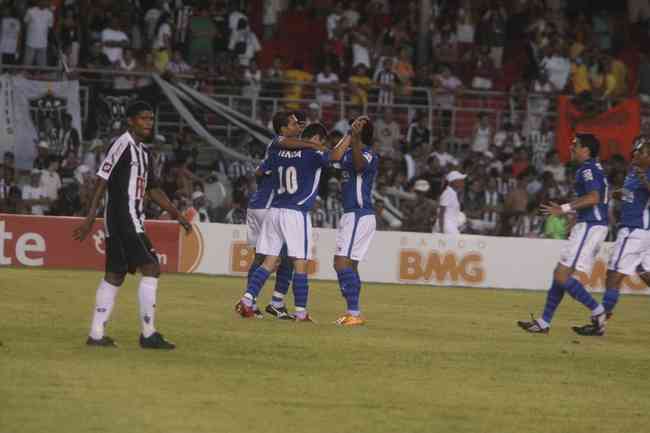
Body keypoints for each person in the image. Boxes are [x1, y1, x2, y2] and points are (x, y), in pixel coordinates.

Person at [73, 101, 191, 349]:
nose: (148, 123)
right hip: (122, 217)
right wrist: (89, 218)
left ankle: (96, 335)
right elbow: (101, 180)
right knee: (151, 267)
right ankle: (148, 335)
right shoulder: (122, 143)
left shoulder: (144, 153)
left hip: (132, 218)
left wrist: (176, 214)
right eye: (143, 118)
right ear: (130, 120)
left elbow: (153, 189)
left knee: (115, 274)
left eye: (150, 119)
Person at [236, 122, 352, 321]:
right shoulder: (313, 154)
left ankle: (247, 301)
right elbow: (335, 155)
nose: (322, 145)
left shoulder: (277, 152)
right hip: (296, 213)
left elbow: (261, 172)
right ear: (316, 138)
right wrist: (350, 135)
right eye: (322, 141)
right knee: (300, 262)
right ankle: (301, 312)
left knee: (269, 261)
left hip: (275, 210)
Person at [518, 134, 608, 334]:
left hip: (591, 226)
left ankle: (598, 311)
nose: (571, 148)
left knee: (561, 275)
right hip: (588, 224)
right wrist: (575, 220)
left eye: (575, 145)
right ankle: (544, 322)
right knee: (559, 274)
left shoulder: (587, 169)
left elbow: (594, 197)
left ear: (586, 150)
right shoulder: (594, 168)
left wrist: (564, 208)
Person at [244, 111, 327, 320]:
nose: (298, 127)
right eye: (294, 124)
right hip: (274, 206)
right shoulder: (280, 143)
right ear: (283, 129)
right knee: (287, 257)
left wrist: (267, 183)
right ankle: (274, 302)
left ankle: (254, 301)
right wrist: (313, 145)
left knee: (267, 257)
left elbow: (259, 171)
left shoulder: (278, 150)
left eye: (300, 124)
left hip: (262, 204)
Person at [573, 136, 650, 336]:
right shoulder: (634, 172)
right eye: (635, 151)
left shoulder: (645, 173)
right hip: (637, 230)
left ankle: (600, 322)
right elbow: (633, 195)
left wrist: (645, 181)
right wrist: (619, 194)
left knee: (614, 275)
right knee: (644, 272)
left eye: (640, 152)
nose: (635, 155)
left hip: (634, 230)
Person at [332, 116, 375, 326]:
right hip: (353, 214)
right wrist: (350, 135)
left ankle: (354, 313)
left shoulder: (368, 154)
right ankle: (353, 313)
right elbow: (334, 156)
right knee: (351, 266)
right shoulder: (349, 151)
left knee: (340, 262)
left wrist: (356, 139)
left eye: (357, 128)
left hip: (359, 213)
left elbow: (359, 167)